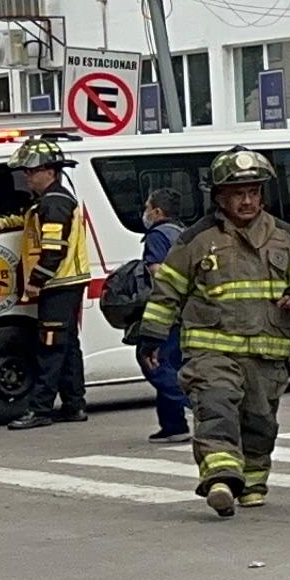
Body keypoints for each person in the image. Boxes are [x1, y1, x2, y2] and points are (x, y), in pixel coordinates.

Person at [135, 149, 290, 517]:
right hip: (211, 350)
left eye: (253, 191)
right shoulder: (196, 241)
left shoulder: (287, 237)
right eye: (238, 193)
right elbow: (168, 290)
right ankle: (220, 479)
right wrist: (152, 335)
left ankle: (252, 484)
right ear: (219, 196)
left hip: (268, 354)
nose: (248, 200)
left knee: (260, 423)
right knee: (215, 407)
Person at [0, 135, 92, 429]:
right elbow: (23, 219)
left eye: (32, 171)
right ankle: (74, 405)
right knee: (67, 345)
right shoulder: (47, 202)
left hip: (59, 283)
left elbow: (53, 250)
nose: (27, 177)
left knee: (50, 347)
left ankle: (40, 409)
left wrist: (35, 282)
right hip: (65, 283)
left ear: (51, 171)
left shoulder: (55, 204)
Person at [134, 189, 190, 443]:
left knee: (154, 362)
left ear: (157, 212)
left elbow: (159, 275)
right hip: (186, 309)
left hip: (167, 310)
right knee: (172, 362)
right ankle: (173, 424)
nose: (144, 212)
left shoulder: (157, 236)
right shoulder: (182, 232)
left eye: (147, 207)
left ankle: (196, 404)